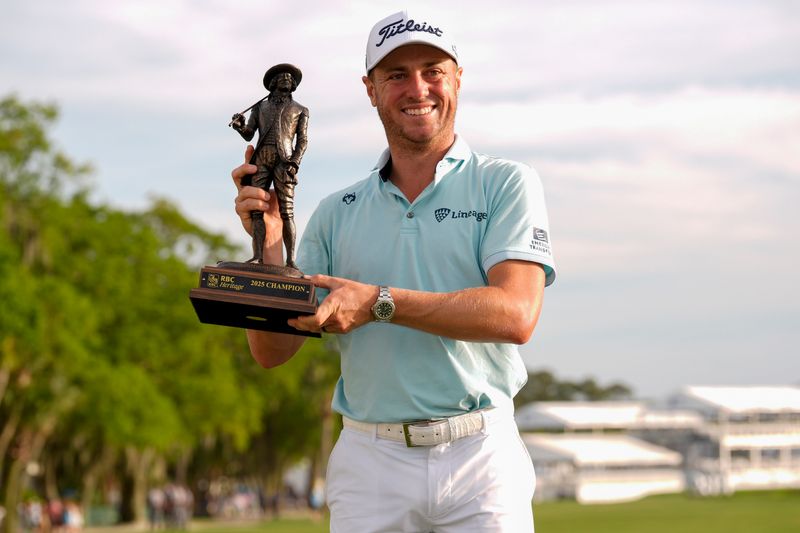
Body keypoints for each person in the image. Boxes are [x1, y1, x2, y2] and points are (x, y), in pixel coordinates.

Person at [232, 9, 556, 532]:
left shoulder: (506, 184)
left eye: (433, 70)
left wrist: (377, 303)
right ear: (371, 89)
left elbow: (515, 314)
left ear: (457, 78)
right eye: (396, 75)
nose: (417, 87)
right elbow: (273, 352)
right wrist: (271, 246)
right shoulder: (338, 211)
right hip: (370, 461)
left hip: (481, 455)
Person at [231, 63, 309, 268]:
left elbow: (302, 140)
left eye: (290, 77)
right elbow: (249, 133)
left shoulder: (300, 110)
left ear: (293, 85)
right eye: (282, 76)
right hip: (261, 159)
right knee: (257, 210)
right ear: (272, 83)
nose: (286, 78)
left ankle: (291, 261)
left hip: (285, 162)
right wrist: (240, 126)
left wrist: (295, 162)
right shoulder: (260, 107)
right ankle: (258, 256)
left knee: (287, 211)